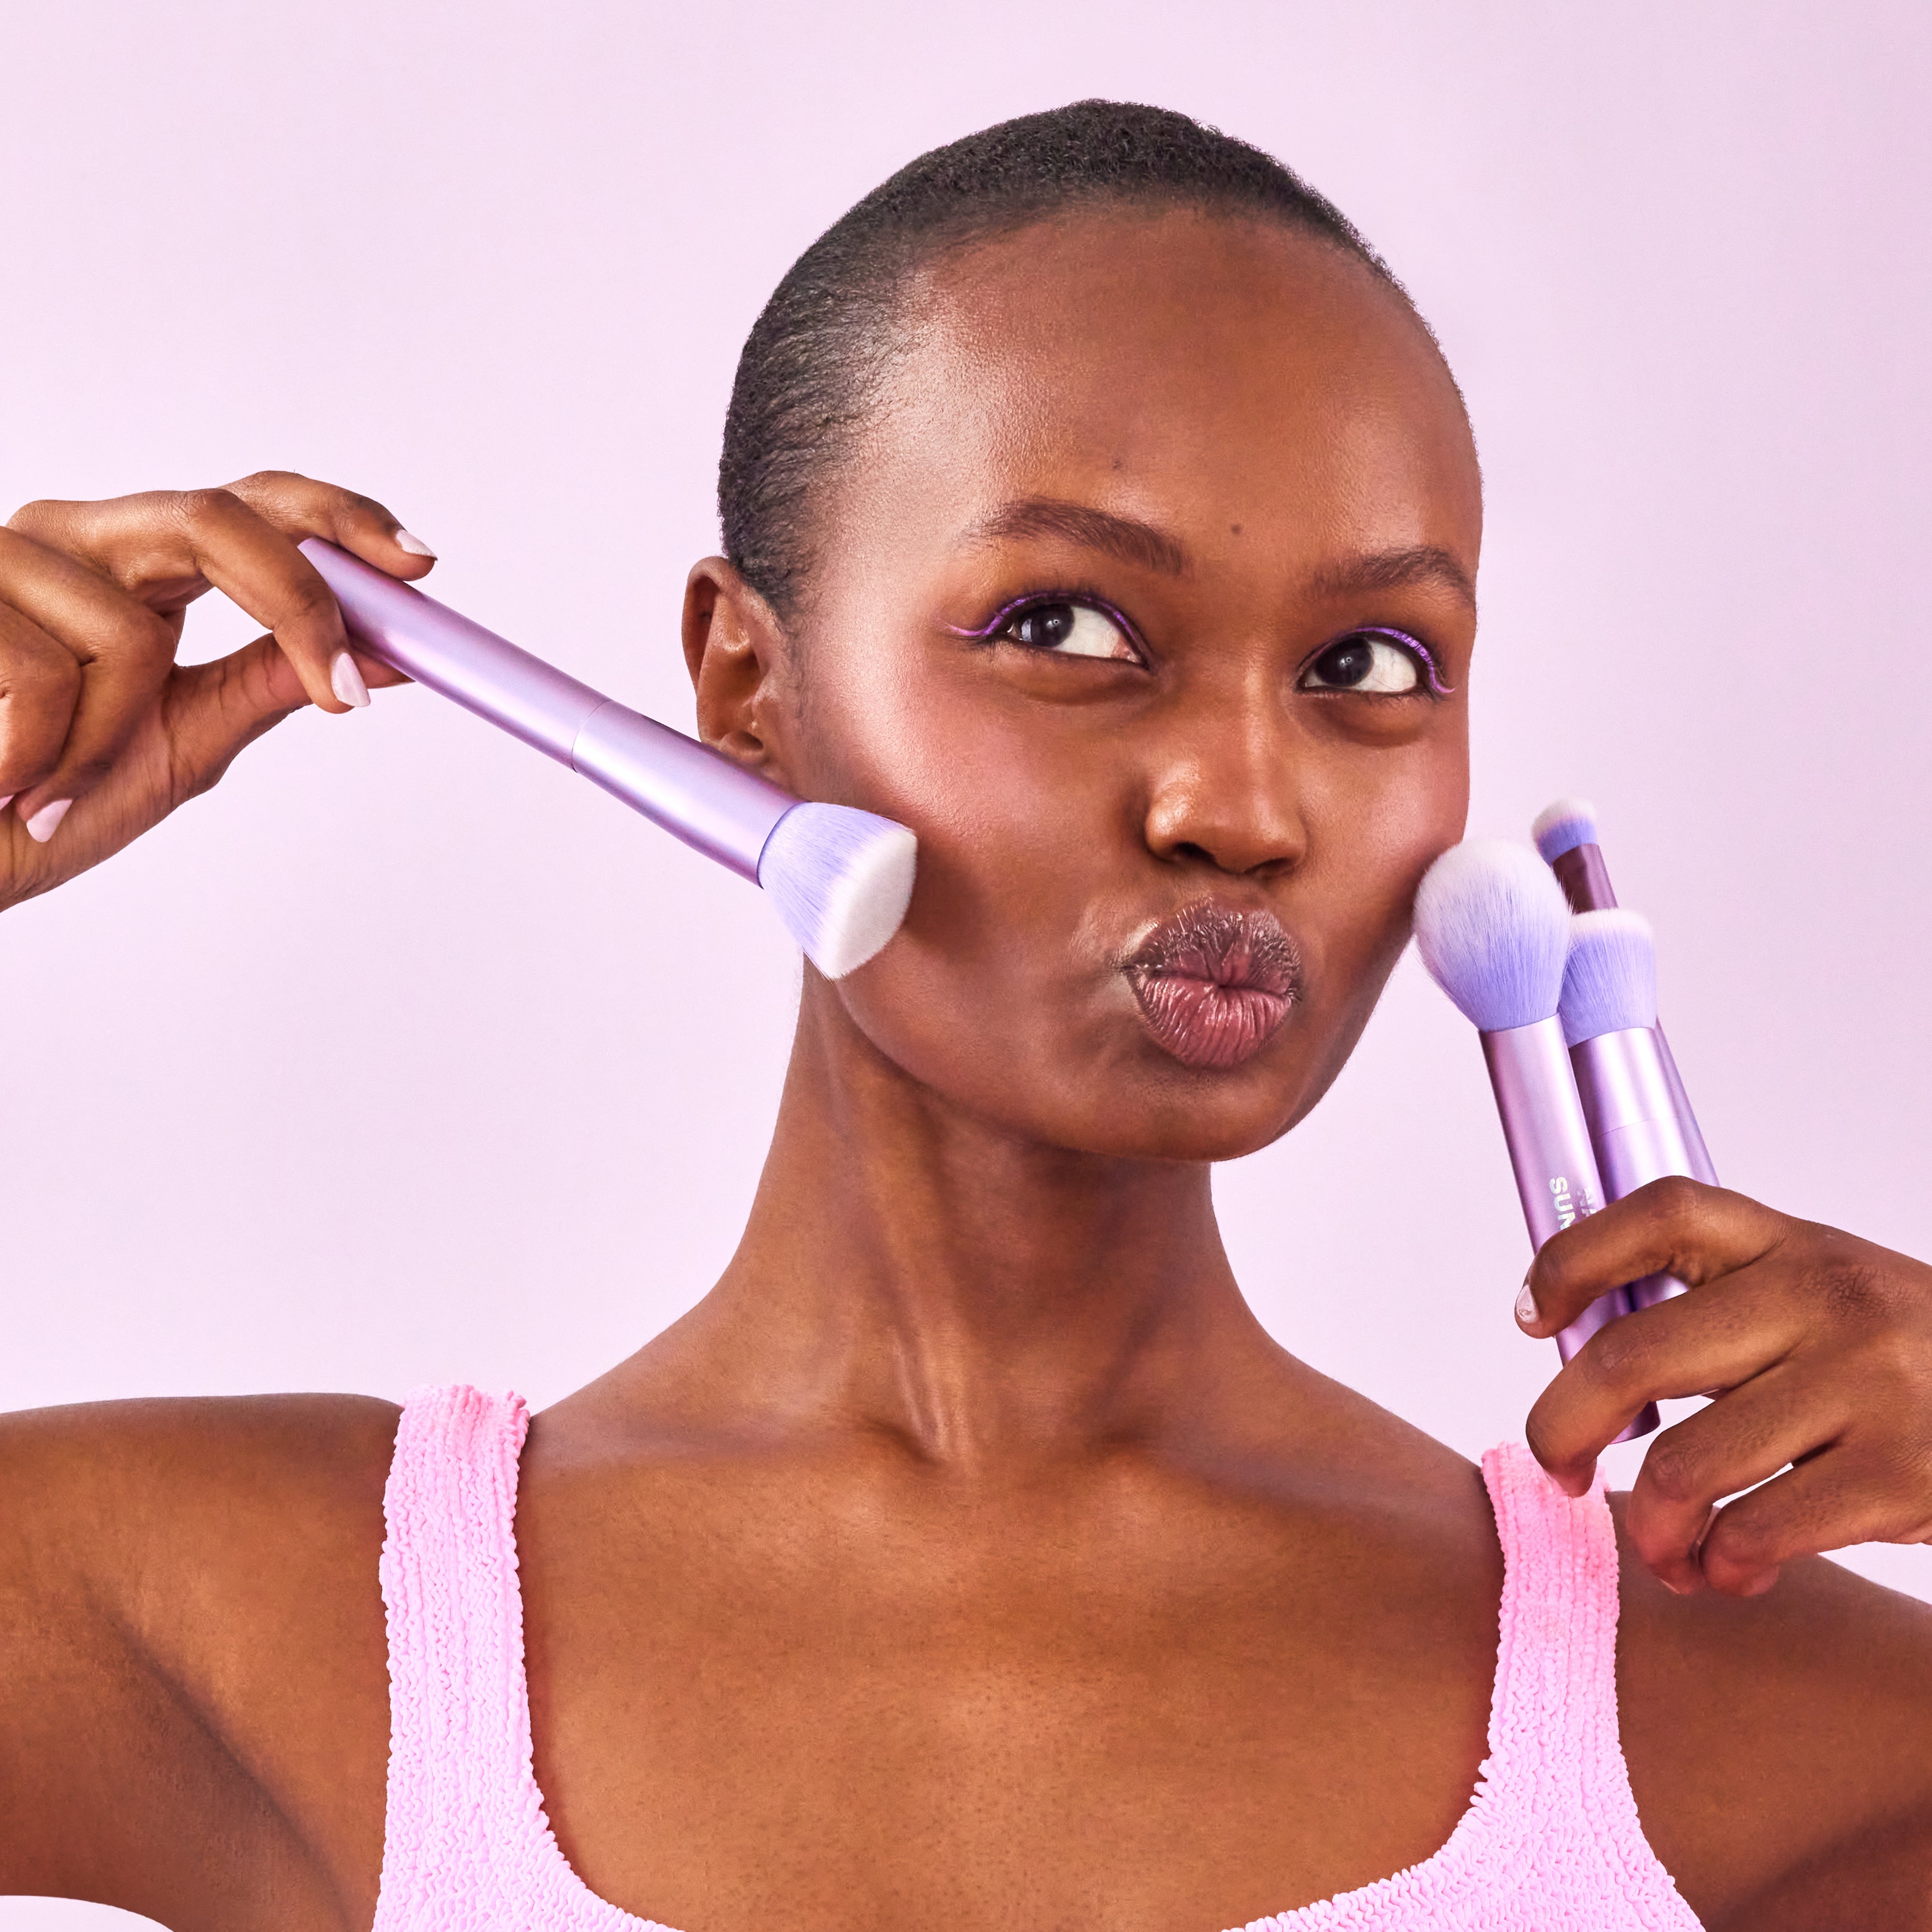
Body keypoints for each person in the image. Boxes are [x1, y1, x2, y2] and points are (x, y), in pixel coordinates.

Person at [0, 101, 1928, 1932]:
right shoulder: (280, 1622)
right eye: (1069, 627)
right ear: (745, 686)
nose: (1241, 803)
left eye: (1367, 662)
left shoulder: (1733, 1714)